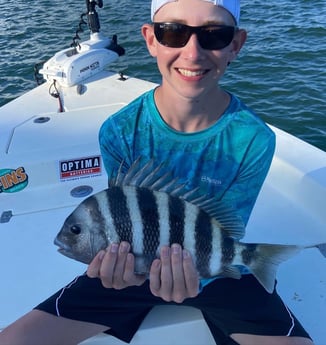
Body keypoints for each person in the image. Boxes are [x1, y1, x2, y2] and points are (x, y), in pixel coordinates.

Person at [0, 1, 314, 344]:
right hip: (130, 272)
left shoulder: (253, 139)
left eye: (214, 35)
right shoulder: (119, 131)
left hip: (214, 272)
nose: (192, 54)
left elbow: (225, 229)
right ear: (151, 39)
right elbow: (120, 214)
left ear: (235, 44)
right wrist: (122, 272)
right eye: (173, 33)